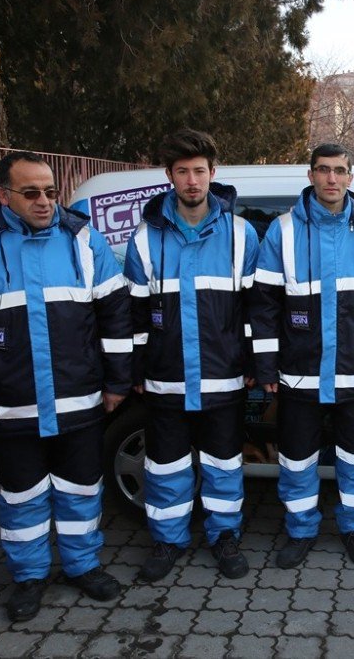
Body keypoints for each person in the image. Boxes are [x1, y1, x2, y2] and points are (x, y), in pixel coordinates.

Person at [0, 151, 132, 621]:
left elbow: (115, 317)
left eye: (50, 191)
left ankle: (82, 566)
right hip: (10, 407)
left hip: (79, 402)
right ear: (3, 195)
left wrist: (118, 381)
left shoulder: (84, 242)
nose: (45, 202)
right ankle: (29, 577)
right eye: (31, 193)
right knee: (22, 495)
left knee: (81, 490)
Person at [253, 143, 354, 569]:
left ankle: (353, 529)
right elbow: (263, 306)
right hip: (299, 376)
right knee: (297, 460)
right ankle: (301, 530)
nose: (331, 178)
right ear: (311, 175)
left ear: (351, 177)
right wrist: (265, 365)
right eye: (323, 170)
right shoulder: (282, 231)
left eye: (339, 171)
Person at [124, 129, 260, 582]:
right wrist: (136, 370)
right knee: (166, 467)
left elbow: (255, 308)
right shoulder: (146, 239)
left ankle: (225, 537)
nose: (191, 180)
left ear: (212, 174)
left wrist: (253, 364)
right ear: (169, 177)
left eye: (199, 170)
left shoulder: (241, 235)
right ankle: (167, 541)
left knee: (224, 465)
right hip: (166, 379)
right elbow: (135, 313)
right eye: (182, 172)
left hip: (224, 379)